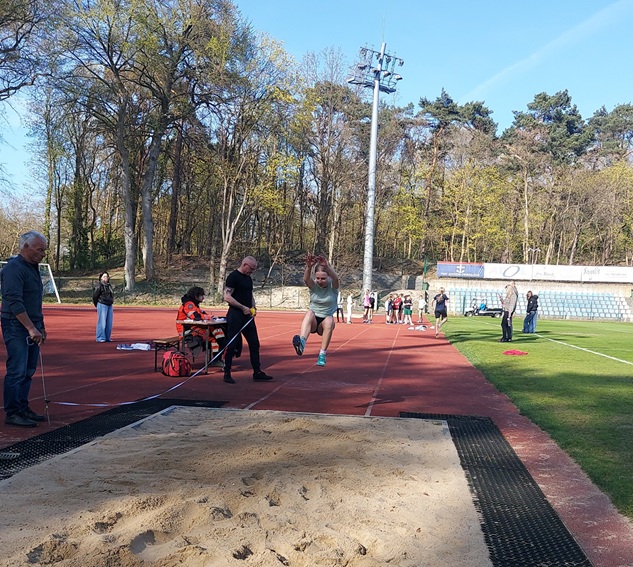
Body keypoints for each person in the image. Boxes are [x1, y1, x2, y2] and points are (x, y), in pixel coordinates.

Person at [1, 231, 48, 427]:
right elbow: (14, 302)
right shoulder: (14, 268)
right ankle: (13, 412)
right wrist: (30, 327)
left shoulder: (33, 267)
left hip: (32, 324)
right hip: (16, 325)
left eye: (44, 250)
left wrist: (40, 326)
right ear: (26, 247)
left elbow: (35, 301)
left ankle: (22, 406)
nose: (43, 254)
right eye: (40, 250)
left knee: (28, 370)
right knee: (17, 370)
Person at [223, 256, 273, 384]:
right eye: (251, 268)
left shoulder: (248, 279)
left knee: (254, 343)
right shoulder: (233, 277)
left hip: (247, 316)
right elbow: (227, 297)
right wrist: (242, 307)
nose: (252, 271)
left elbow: (250, 294)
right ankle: (227, 373)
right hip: (235, 315)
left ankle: (257, 372)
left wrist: (253, 307)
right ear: (245, 264)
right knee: (232, 344)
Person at [292, 254, 339, 367]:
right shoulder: (314, 286)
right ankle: (302, 342)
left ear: (328, 277)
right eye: (318, 278)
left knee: (329, 320)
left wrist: (327, 267)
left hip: (325, 323)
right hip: (313, 321)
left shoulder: (333, 286)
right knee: (309, 313)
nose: (320, 281)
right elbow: (306, 279)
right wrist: (309, 266)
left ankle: (322, 354)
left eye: (323, 278)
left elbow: (336, 278)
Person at [176, 286, 225, 367]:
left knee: (217, 331)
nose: (203, 298)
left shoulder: (194, 304)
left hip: (194, 329)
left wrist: (211, 317)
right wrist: (209, 317)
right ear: (196, 296)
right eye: (202, 295)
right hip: (188, 332)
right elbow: (196, 317)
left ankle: (220, 352)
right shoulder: (189, 305)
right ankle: (219, 355)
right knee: (214, 337)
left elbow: (201, 314)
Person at [93, 271, 114, 342]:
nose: (106, 278)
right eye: (104, 276)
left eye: (107, 276)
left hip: (109, 304)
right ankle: (100, 337)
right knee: (102, 322)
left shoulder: (109, 286)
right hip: (102, 304)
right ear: (101, 278)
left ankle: (107, 337)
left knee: (109, 323)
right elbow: (95, 296)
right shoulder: (99, 285)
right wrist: (97, 304)